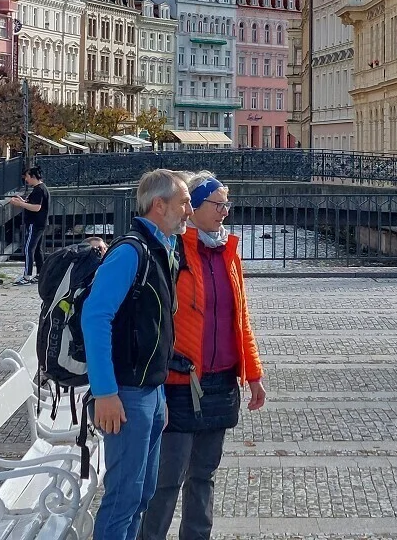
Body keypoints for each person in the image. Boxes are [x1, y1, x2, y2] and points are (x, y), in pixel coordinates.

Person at [140, 172, 265, 540]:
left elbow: (239, 319)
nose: (225, 211)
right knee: (166, 478)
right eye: (218, 203)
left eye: (227, 204)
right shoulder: (173, 251)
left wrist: (253, 374)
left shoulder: (227, 253)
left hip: (221, 382)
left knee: (204, 476)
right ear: (192, 208)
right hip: (179, 383)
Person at [81, 169, 191, 540]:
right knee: (123, 498)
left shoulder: (160, 248)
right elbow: (95, 318)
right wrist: (105, 392)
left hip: (149, 393)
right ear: (159, 206)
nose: (188, 210)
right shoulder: (132, 251)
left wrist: (159, 396)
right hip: (125, 393)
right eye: (183, 203)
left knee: (142, 495)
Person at [8, 166, 50, 286]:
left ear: (32, 177)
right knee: (37, 249)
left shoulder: (39, 190)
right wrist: (23, 201)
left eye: (27, 177)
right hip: (40, 223)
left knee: (28, 248)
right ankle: (40, 274)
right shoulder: (42, 189)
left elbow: (36, 207)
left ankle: (27, 276)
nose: (26, 180)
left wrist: (20, 204)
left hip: (35, 223)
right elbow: (33, 204)